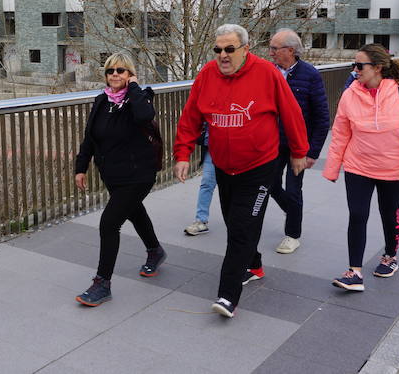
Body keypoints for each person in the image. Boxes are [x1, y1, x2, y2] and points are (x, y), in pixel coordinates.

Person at [173, 24, 308, 318]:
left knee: (241, 228)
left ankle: (227, 294)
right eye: (218, 49)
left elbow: (291, 112)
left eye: (229, 49)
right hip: (224, 166)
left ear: (245, 49)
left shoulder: (267, 74)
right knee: (237, 224)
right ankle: (254, 264)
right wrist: (182, 153)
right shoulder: (207, 75)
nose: (223, 55)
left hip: (260, 167)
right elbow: (190, 117)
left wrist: (299, 152)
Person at [324, 44, 399, 292]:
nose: (355, 69)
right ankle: (354, 272)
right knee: (358, 215)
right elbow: (340, 134)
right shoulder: (350, 94)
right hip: (358, 165)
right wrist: (332, 168)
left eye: (360, 65)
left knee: (388, 212)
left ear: (378, 68)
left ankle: (390, 256)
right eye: (353, 65)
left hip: (394, 167)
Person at [73, 53, 165, 306]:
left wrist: (134, 87)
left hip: (139, 174)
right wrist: (81, 167)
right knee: (135, 212)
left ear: (130, 74)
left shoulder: (139, 97)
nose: (115, 74)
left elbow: (145, 116)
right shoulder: (101, 101)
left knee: (109, 224)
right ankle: (155, 251)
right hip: (112, 175)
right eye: (110, 70)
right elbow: (90, 137)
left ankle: (102, 283)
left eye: (121, 71)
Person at [267, 29, 330, 254]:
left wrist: (312, 152)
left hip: (297, 146)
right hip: (272, 143)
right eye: (271, 48)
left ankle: (292, 235)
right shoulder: (268, 72)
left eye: (275, 48)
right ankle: (292, 211)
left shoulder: (310, 74)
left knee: (294, 190)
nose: (271, 52)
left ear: (290, 51)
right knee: (270, 185)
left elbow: (322, 117)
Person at [184, 123, 216, 236]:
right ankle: (201, 220)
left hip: (236, 150)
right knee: (207, 182)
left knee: (236, 186)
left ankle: (240, 221)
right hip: (212, 148)